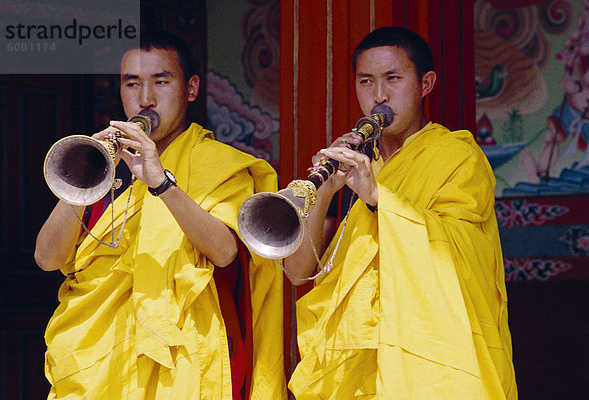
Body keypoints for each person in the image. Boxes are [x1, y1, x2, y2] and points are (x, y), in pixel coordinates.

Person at [35, 30, 286, 400]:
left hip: (182, 359)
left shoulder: (217, 165)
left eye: (161, 81)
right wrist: (88, 176)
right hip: (97, 363)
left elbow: (224, 252)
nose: (146, 98)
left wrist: (160, 182)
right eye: (132, 83)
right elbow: (47, 257)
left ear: (191, 88)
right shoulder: (105, 165)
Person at [284, 26, 517, 399]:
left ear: (425, 83)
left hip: (428, 361)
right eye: (366, 81)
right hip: (355, 367)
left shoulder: (456, 157)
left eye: (393, 79)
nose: (379, 95)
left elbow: (460, 251)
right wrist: (326, 191)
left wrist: (378, 197)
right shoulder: (355, 167)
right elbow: (298, 272)